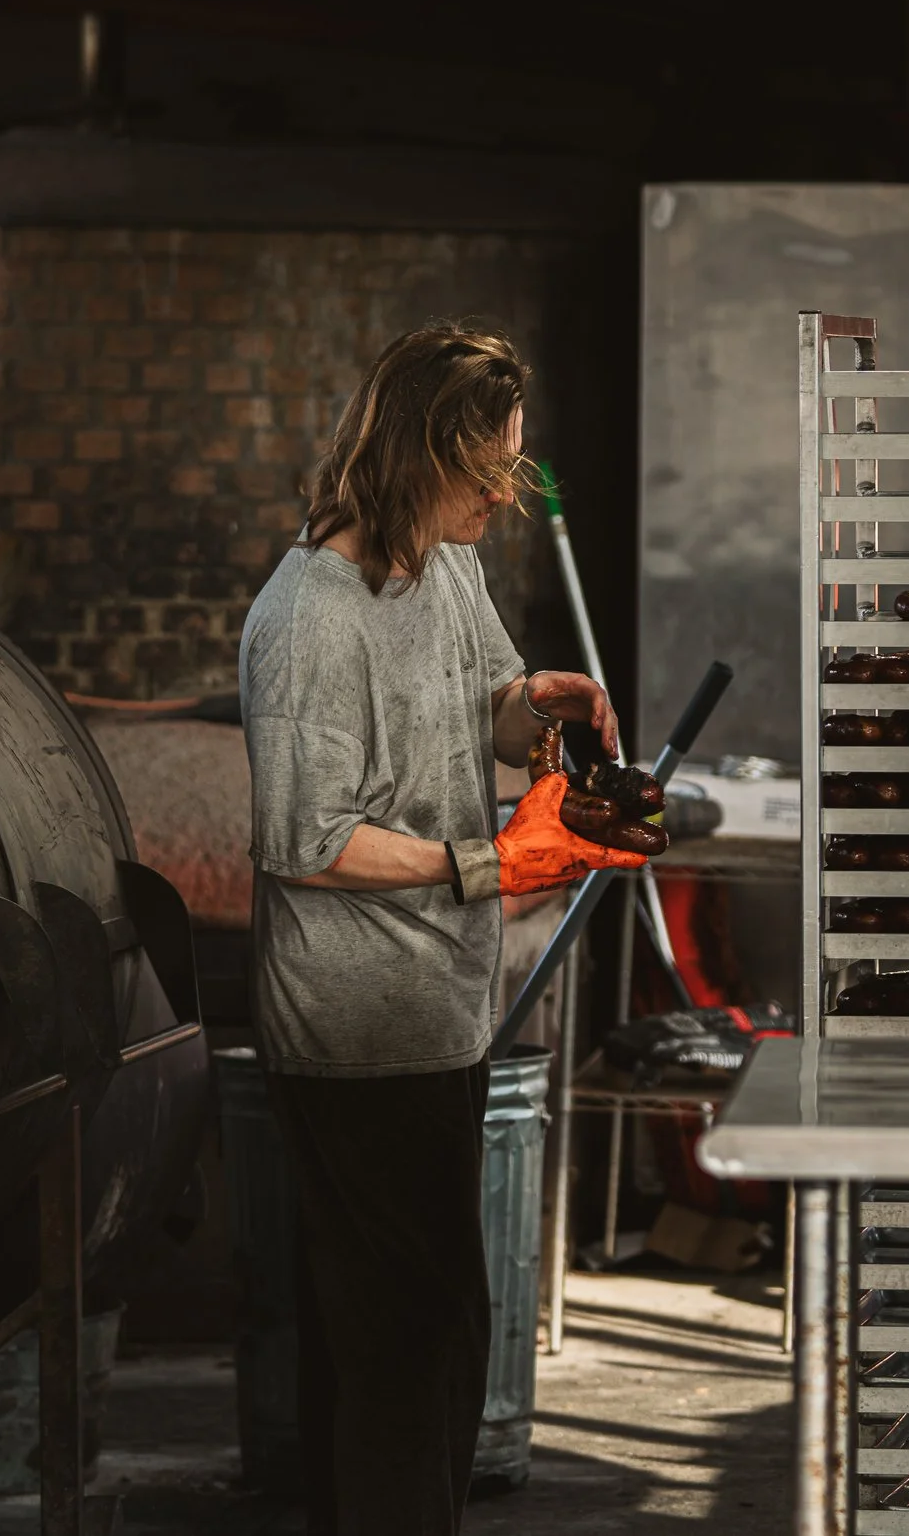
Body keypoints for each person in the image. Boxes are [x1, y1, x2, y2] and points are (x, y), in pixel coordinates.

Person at [239, 324, 645, 1536]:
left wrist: (538, 704)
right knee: (414, 1342)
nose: (504, 498)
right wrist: (492, 863)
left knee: (386, 1337)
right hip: (355, 1028)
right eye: (488, 474)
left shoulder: (443, 563)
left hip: (440, 1011)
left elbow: (478, 710)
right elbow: (308, 840)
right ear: (423, 457)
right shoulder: (311, 617)